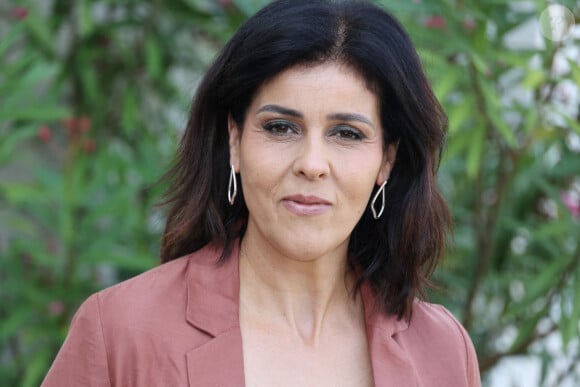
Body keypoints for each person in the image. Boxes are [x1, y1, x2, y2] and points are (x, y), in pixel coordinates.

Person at [42, 0, 481, 385]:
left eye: (346, 133)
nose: (311, 163)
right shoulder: (122, 330)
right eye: (280, 127)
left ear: (386, 159)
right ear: (234, 140)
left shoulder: (442, 351)